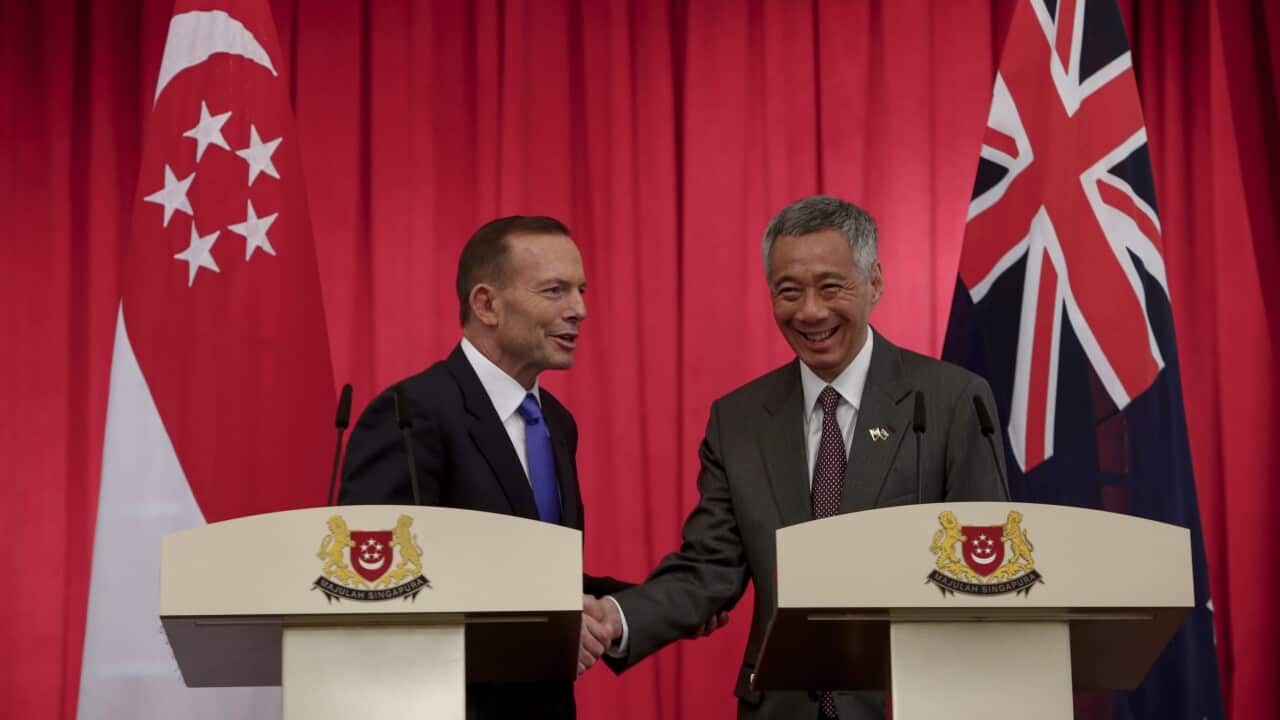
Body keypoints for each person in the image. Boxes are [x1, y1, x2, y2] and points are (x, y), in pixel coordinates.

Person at [590, 195, 1010, 719]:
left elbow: (985, 569)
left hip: (913, 704)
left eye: (831, 287)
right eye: (789, 292)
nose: (810, 311)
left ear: (874, 282)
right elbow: (710, 570)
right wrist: (615, 617)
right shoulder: (739, 419)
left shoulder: (950, 401)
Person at [339, 215, 623, 719]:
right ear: (486, 303)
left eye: (580, 290)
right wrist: (541, 623)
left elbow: (541, 574)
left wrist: (659, 603)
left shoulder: (556, 422)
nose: (579, 309)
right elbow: (381, 583)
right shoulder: (410, 412)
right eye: (555, 290)